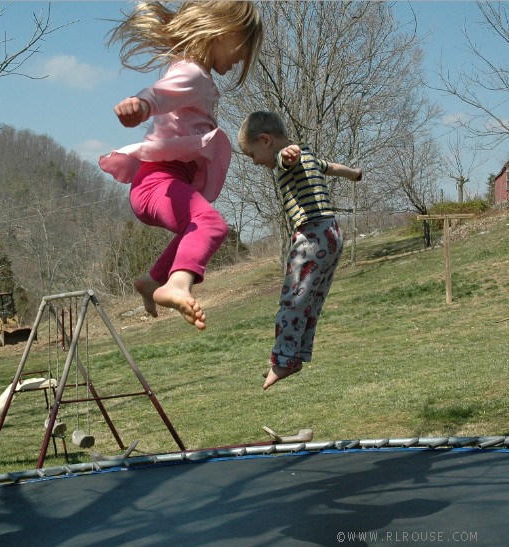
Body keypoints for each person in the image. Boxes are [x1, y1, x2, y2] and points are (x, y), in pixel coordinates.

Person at [99, 1, 263, 330]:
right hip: (158, 182)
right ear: (223, 32)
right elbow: (163, 94)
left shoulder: (194, 73)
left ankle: (151, 280)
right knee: (212, 226)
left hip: (160, 184)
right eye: (242, 50)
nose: (240, 60)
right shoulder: (192, 73)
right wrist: (142, 105)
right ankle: (176, 284)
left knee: (197, 230)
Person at [238, 111, 363, 390]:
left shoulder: (289, 159)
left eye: (252, 155)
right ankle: (297, 354)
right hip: (333, 234)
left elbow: (285, 157)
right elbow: (331, 167)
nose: (255, 162)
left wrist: (288, 153)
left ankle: (284, 359)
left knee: (292, 301)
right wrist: (354, 173)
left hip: (312, 236)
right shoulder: (309, 156)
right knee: (310, 302)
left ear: (266, 140)